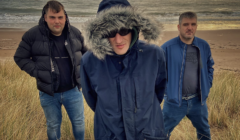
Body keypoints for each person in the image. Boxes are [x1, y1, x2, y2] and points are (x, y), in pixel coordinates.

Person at [80, 0, 168, 140]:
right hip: (109, 135)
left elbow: (158, 91)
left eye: (123, 30)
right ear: (102, 33)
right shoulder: (89, 61)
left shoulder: (154, 54)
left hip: (148, 133)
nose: (118, 39)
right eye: (111, 32)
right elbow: (93, 100)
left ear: (133, 28)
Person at [14, 1, 86, 139]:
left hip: (73, 91)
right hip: (48, 93)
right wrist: (38, 72)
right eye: (52, 17)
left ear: (65, 17)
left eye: (60, 17)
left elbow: (87, 56)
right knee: (53, 125)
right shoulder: (33, 35)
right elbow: (20, 57)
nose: (57, 21)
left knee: (79, 123)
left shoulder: (75, 33)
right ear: (45, 17)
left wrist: (84, 76)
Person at [161, 11, 214, 140]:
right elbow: (158, 73)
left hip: (198, 101)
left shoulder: (203, 46)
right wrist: (168, 92)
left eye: (193, 24)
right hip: (174, 102)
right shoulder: (167, 48)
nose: (189, 28)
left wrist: (207, 85)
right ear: (179, 27)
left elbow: (209, 66)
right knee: (161, 133)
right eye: (185, 24)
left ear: (196, 26)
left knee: (204, 132)